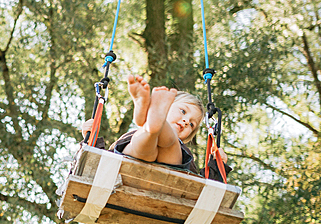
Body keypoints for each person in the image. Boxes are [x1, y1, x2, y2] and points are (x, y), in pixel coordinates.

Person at [80, 74, 229, 179]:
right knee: (145, 141)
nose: (185, 121)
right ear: (167, 105)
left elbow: (205, 189)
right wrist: (92, 139)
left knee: (170, 142)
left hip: (172, 169)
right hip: (127, 161)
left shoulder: (179, 146)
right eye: (182, 111)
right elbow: (96, 165)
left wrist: (217, 165)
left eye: (191, 124)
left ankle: (150, 120)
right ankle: (152, 125)